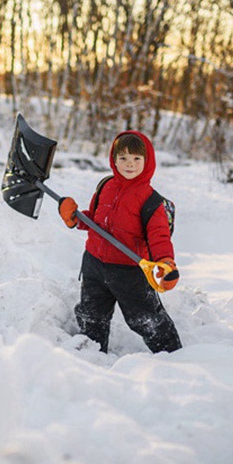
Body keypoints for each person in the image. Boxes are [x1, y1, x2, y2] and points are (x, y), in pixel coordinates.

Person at [58, 130, 182, 354]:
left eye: (136, 158)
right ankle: (91, 355)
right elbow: (96, 221)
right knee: (91, 315)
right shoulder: (106, 186)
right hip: (94, 264)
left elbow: (159, 237)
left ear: (148, 161)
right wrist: (75, 217)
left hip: (130, 272)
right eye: (123, 158)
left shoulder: (152, 201)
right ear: (113, 160)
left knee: (145, 319)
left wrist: (166, 263)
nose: (129, 164)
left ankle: (174, 356)